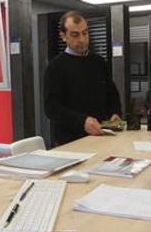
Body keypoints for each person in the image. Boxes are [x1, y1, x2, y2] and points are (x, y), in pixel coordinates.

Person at [44, 11, 122, 146]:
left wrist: (115, 112)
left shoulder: (99, 62)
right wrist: (82, 121)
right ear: (63, 36)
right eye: (75, 35)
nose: (82, 39)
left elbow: (112, 94)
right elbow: (52, 108)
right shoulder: (55, 67)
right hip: (71, 140)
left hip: (103, 135)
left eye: (85, 33)